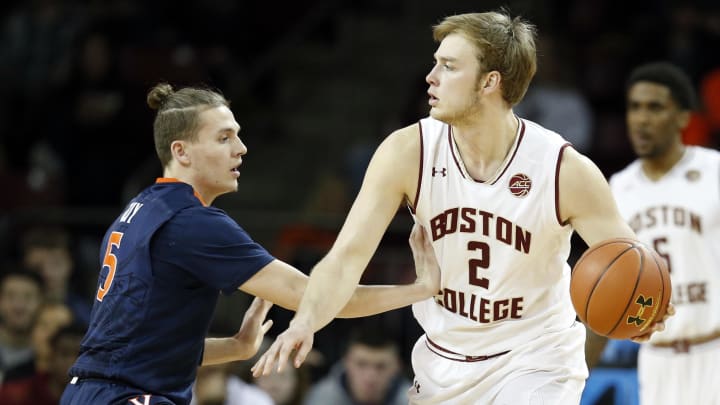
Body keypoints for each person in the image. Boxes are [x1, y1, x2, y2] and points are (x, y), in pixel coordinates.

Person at [252, 10, 671, 404]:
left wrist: (647, 305)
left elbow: (628, 261)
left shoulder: (563, 170)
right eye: (436, 63)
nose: (431, 77)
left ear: (490, 82)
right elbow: (345, 259)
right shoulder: (407, 151)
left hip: (536, 359)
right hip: (443, 358)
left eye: (449, 66)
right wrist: (307, 319)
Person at [59, 83, 441, 405]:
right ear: (181, 152)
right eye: (224, 138)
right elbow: (315, 295)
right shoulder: (192, 223)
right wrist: (417, 290)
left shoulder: (139, 210)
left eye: (238, 135)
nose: (240, 148)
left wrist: (238, 347)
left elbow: (138, 346)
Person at [604, 62, 720, 405]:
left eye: (655, 107)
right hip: (655, 360)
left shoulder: (714, 170)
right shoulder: (618, 187)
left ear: (683, 117)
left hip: (714, 347)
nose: (641, 118)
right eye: (634, 107)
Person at [303, 324, 412, 405]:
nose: (370, 376)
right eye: (361, 364)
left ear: (397, 366)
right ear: (346, 362)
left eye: (381, 366)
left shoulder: (415, 400)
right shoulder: (322, 399)